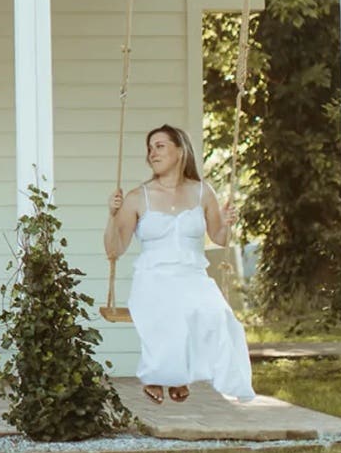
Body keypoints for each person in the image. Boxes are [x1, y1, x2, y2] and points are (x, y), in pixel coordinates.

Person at [105, 124, 255, 404]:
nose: (152, 153)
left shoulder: (202, 192)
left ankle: (179, 374)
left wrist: (228, 221)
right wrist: (112, 216)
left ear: (180, 150)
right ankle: (164, 376)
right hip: (153, 276)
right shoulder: (138, 197)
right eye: (150, 148)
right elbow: (114, 249)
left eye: (159, 146)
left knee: (219, 315)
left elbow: (220, 238)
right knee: (170, 310)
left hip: (192, 275)